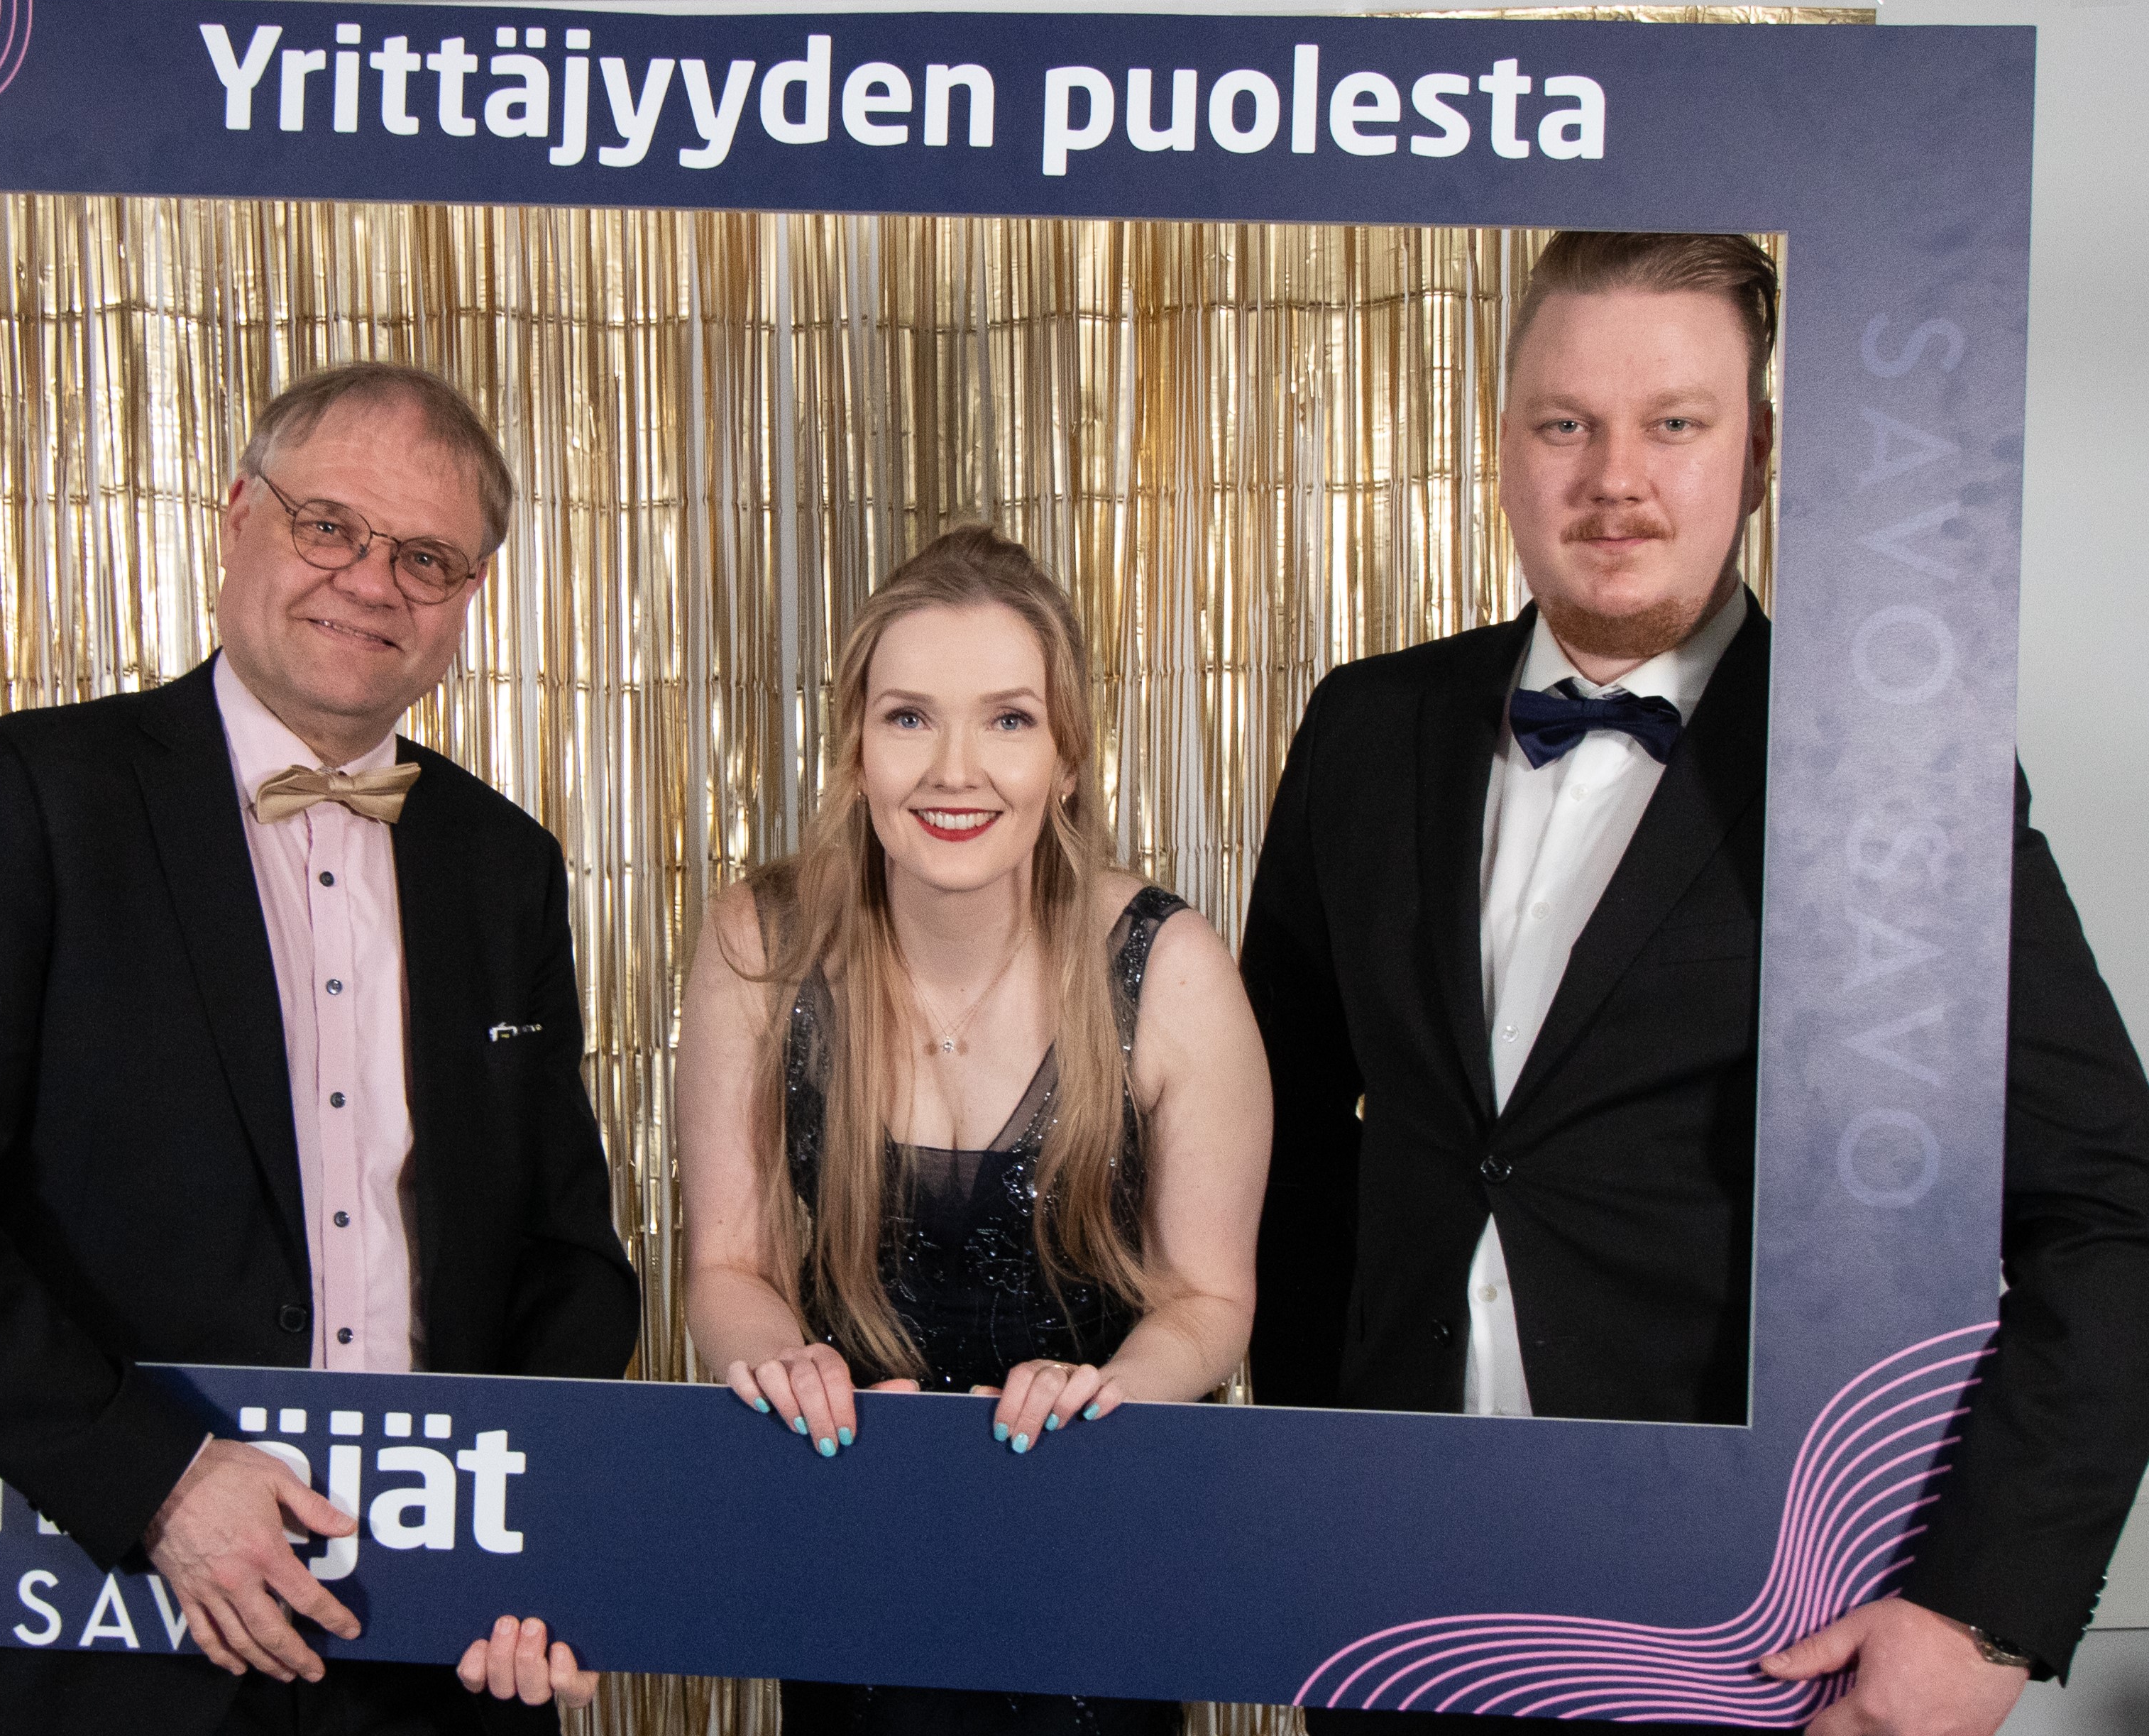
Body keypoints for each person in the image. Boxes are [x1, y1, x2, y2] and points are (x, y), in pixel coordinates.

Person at [1242, 232, 2149, 1736]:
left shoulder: (1893, 764)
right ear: (1501, 446)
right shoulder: (1361, 726)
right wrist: (1305, 1475)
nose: (1615, 479)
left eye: (1673, 422)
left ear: (1760, 451)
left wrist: (1980, 1613)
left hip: (1749, 1638)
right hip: (1395, 1614)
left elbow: (2110, 1209)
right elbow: (1271, 1148)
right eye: (1565, 424)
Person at [0, 363, 639, 1735]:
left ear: (470, 595)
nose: (372, 583)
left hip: (424, 1654)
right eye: (329, 526)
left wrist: (528, 1535)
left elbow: (565, 1258)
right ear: (239, 516)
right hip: (90, 1635)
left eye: (426, 557)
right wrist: (160, 1479)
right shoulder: (37, 793)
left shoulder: (505, 863)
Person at [676, 526, 1273, 1735]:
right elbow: (726, 1266)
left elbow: (1211, 1300)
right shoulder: (759, 941)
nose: (955, 772)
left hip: (1095, 1555)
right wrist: (786, 1367)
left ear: (1066, 758)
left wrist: (1104, 1392)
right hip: (853, 1540)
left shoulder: (1169, 966)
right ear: (855, 748)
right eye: (909, 718)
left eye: (1007, 720)